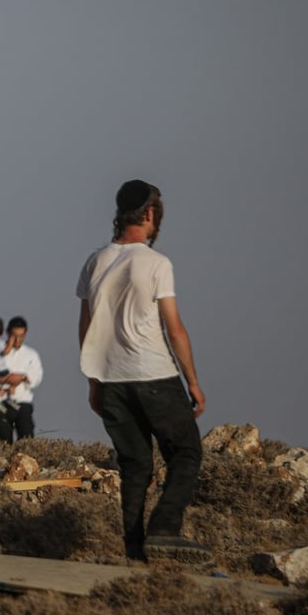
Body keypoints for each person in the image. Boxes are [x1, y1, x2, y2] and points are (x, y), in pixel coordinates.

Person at [77, 179, 208, 561]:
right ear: (149, 215)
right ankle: (165, 529)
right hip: (153, 374)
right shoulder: (155, 263)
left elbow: (86, 327)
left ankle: (136, 552)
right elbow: (174, 327)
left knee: (135, 465)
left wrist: (93, 380)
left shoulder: (95, 262)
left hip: (111, 380)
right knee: (186, 451)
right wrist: (194, 381)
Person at [0, 316, 44, 443]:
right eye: (14, 335)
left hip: (22, 403)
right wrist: (5, 380)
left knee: (27, 440)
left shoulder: (31, 354)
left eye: (21, 336)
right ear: (7, 333)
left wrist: (22, 377)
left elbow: (37, 377)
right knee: (2, 444)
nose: (17, 340)